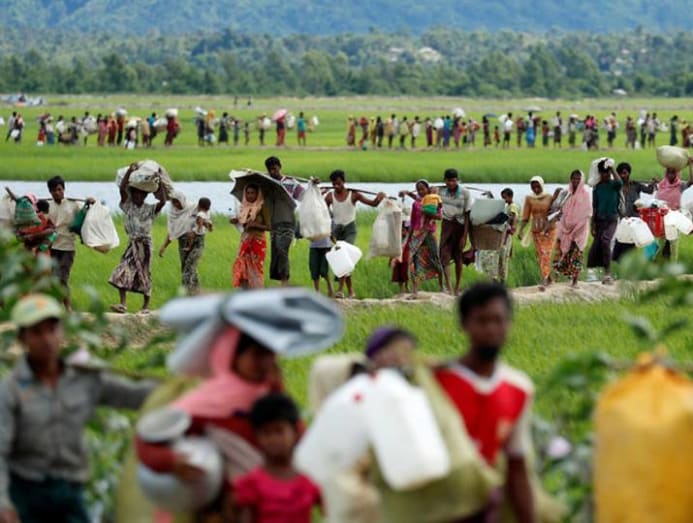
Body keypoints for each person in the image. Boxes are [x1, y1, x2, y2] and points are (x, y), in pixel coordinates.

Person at [0, 294, 154, 523]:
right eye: (37, 332)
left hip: (71, 492)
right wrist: (3, 503)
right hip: (27, 494)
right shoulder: (11, 390)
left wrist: (184, 387)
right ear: (22, 339)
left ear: (62, 332)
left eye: (52, 330)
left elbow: (133, 394)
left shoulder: (83, 379)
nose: (47, 339)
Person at [434, 283, 536, 523]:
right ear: (464, 324)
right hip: (438, 508)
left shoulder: (518, 389)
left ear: (509, 323)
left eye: (498, 320)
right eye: (481, 321)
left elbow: (517, 467)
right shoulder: (438, 383)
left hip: (484, 510)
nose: (491, 329)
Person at [233, 394, 322, 523]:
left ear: (295, 432)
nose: (273, 439)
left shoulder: (309, 481)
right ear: (256, 437)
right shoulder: (252, 484)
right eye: (266, 433)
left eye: (279, 431)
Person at [109, 164, 167, 313]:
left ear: (145, 196)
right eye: (134, 194)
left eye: (140, 195)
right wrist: (130, 171)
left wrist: (160, 181)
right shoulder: (128, 206)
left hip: (145, 245)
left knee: (144, 273)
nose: (137, 197)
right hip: (132, 244)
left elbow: (163, 201)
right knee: (123, 270)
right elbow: (122, 190)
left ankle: (145, 306)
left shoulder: (150, 209)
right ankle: (123, 304)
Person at [325, 170, 385, 299]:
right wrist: (319, 194)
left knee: (343, 254)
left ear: (344, 181)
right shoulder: (329, 196)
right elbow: (323, 210)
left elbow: (373, 204)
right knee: (344, 260)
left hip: (350, 230)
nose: (336, 186)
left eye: (339, 183)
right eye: (334, 184)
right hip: (336, 231)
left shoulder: (354, 194)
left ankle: (340, 290)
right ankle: (351, 291)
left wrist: (379, 198)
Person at [47, 176, 94, 310]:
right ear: (50, 192)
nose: (57, 193)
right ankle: (58, 307)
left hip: (67, 247)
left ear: (64, 189)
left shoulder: (73, 205)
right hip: (52, 246)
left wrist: (90, 203)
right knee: (54, 279)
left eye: (59, 189)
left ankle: (67, 307)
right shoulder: (48, 206)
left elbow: (84, 216)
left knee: (63, 277)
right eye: (54, 191)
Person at [401, 180, 447, 296]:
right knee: (413, 260)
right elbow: (413, 222)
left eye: (423, 189)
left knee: (435, 258)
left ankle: (442, 286)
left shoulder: (434, 200)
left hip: (429, 233)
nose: (421, 191)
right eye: (418, 190)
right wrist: (408, 237)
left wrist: (428, 213)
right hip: (417, 234)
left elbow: (440, 216)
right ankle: (415, 290)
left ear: (427, 189)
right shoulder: (416, 204)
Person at [265, 157, 303, 287]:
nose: (273, 172)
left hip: (288, 223)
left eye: (275, 169)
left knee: (282, 249)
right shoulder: (267, 183)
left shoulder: (291, 183)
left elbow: (304, 196)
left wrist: (314, 186)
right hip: (274, 224)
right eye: (270, 170)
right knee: (276, 252)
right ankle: (282, 279)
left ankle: (285, 281)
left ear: (280, 167)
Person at [519, 176, 558, 290]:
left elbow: (555, 213)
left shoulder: (549, 197)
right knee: (541, 254)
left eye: (538, 186)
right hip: (536, 230)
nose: (536, 188)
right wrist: (521, 230)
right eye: (533, 186)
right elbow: (525, 216)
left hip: (549, 229)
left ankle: (544, 279)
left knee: (546, 253)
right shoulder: (529, 198)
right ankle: (548, 277)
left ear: (542, 185)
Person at [587, 159, 623, 284]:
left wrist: (612, 167)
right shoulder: (597, 188)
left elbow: (620, 182)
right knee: (597, 246)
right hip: (600, 220)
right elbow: (595, 207)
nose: (605, 175)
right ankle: (600, 273)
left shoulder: (614, 185)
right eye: (603, 173)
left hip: (612, 219)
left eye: (607, 173)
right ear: (600, 174)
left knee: (606, 240)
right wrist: (592, 224)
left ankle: (608, 273)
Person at [554, 170, 592, 287]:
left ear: (582, 180)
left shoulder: (585, 195)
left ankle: (575, 281)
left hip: (580, 229)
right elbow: (560, 208)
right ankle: (555, 279)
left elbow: (586, 213)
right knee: (562, 254)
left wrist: (576, 226)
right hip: (566, 227)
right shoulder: (566, 193)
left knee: (577, 254)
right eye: (574, 178)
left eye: (578, 179)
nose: (576, 181)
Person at [612, 162, 657, 261]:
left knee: (631, 242)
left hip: (634, 220)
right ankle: (617, 261)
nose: (623, 176)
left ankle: (628, 263)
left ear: (629, 173)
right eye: (621, 173)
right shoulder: (616, 187)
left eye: (625, 173)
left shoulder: (635, 185)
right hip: (622, 220)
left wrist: (653, 183)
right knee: (621, 240)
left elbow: (649, 190)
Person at [439, 169, 471, 296]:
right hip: (447, 225)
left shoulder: (465, 193)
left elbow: (467, 214)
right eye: (448, 181)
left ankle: (457, 287)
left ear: (457, 180)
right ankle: (449, 286)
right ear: (445, 181)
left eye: (453, 180)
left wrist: (465, 236)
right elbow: (426, 197)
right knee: (444, 256)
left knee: (458, 257)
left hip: (460, 226)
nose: (451, 183)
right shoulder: (441, 192)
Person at [232, 184, 271, 289]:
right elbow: (244, 224)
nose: (249, 195)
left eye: (252, 193)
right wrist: (237, 221)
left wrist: (256, 225)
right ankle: (245, 293)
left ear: (257, 194)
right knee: (242, 269)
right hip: (245, 241)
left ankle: (257, 293)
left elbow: (269, 227)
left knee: (255, 270)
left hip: (258, 242)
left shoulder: (262, 207)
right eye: (247, 193)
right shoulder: (244, 207)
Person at [656, 160, 693, 261]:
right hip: (662, 217)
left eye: (673, 172)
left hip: (675, 218)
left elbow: (691, 181)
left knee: (674, 243)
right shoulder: (662, 185)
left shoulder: (680, 185)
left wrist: (690, 165)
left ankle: (673, 266)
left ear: (676, 174)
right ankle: (660, 263)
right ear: (666, 173)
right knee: (661, 242)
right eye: (669, 172)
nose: (671, 175)